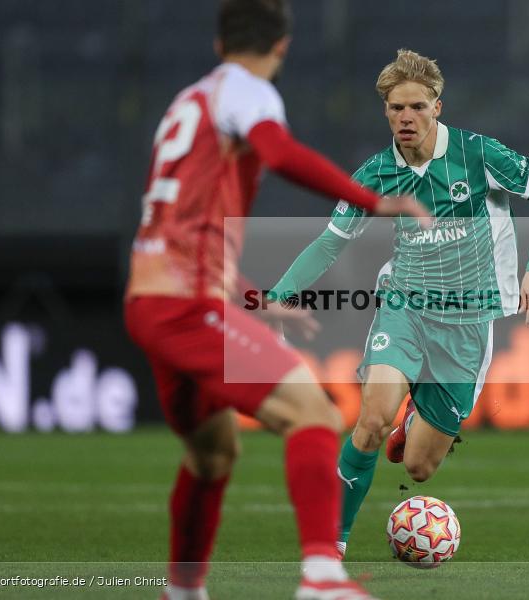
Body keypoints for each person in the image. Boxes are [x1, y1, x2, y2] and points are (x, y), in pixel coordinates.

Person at [123, 2, 429, 598]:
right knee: (313, 414)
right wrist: (375, 203)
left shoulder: (187, 103)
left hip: (151, 298)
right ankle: (320, 577)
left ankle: (182, 590)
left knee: (212, 455)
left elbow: (180, 229)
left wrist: (254, 299)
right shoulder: (248, 92)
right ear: (282, 47)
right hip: (187, 305)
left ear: (218, 43)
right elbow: (281, 153)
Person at [273, 49, 529, 558]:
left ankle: (415, 425)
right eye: (395, 108)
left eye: (417, 107)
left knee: (419, 468)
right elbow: (330, 241)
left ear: (437, 107)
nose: (405, 117)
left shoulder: (478, 155)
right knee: (372, 418)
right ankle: (331, 543)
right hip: (405, 303)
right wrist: (276, 294)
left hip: (469, 320)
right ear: (385, 109)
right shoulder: (376, 172)